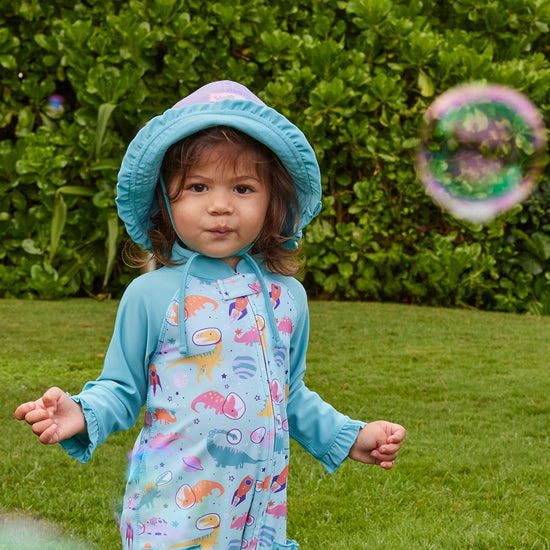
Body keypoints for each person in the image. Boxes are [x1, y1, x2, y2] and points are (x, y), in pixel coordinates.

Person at [14, 80, 406, 550]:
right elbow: (121, 389)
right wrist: (81, 410)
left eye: (243, 188)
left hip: (258, 516)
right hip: (172, 518)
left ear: (272, 201)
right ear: (166, 200)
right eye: (198, 187)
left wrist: (352, 437)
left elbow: (291, 395)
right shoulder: (150, 295)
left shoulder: (288, 299)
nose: (220, 205)